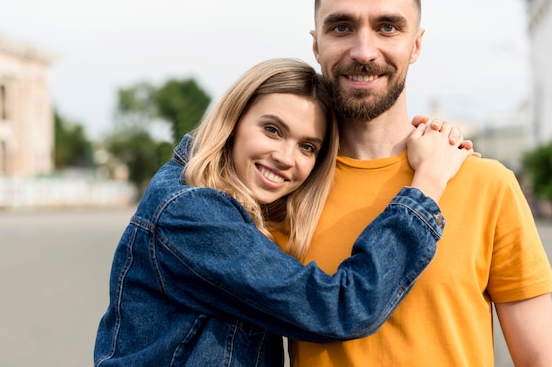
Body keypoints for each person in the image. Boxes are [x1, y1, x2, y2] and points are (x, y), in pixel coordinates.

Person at [94, 58, 475, 366]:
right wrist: (427, 184)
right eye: (273, 130)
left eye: (308, 147)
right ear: (234, 120)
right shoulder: (192, 213)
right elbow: (340, 308)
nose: (285, 157)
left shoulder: (238, 206)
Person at [287, 0, 552, 366]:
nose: (365, 50)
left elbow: (542, 360)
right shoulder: (284, 190)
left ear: (416, 44)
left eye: (388, 27)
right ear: (317, 44)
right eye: (342, 26)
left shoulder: (487, 185)